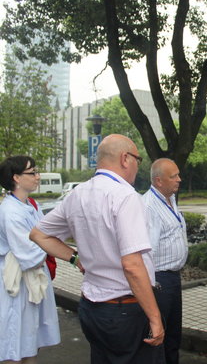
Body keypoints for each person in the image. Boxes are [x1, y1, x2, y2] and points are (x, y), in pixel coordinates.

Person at [29, 134, 165, 364]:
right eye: (137, 160)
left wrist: (75, 258)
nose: (137, 167)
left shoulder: (77, 194)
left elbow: (38, 234)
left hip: (92, 309)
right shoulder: (125, 196)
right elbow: (132, 265)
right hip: (125, 309)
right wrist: (155, 317)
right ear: (125, 159)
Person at [0, 156, 60, 363]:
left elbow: (45, 235)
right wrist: (55, 248)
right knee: (15, 344)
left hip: (31, 281)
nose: (38, 176)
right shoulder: (10, 211)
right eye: (32, 172)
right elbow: (29, 253)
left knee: (30, 343)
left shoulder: (29, 205)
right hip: (17, 284)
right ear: (16, 177)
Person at [143, 158, 187, 364]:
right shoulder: (149, 206)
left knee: (172, 336)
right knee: (159, 337)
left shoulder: (170, 199)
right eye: (174, 176)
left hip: (172, 279)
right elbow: (147, 252)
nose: (179, 179)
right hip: (159, 281)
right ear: (159, 181)